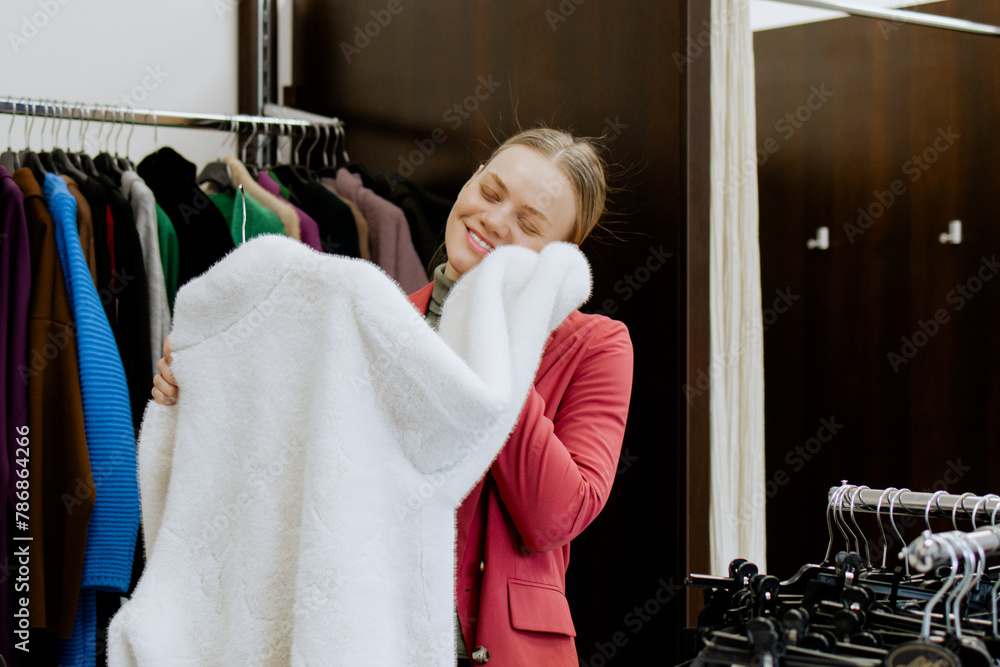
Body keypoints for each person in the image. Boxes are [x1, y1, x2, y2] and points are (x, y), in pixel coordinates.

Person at [151, 127, 634, 666]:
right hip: (378, 638)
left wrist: (503, 330)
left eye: (527, 222)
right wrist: (200, 386)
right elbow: (288, 450)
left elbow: (553, 516)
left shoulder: (596, 345)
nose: (495, 222)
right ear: (469, 184)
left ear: (560, 257)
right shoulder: (381, 319)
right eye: (491, 193)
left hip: (505, 650)